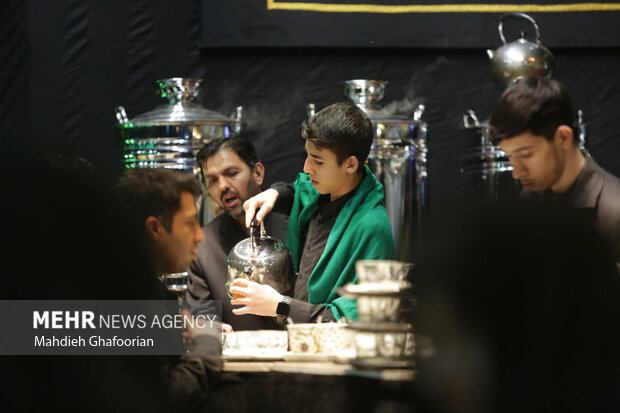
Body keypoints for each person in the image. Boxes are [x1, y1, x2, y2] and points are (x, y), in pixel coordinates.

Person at [230, 101, 396, 323]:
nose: (307, 168)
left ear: (350, 164)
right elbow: (298, 189)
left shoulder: (373, 228)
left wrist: (280, 306)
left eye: (317, 161)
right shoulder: (321, 191)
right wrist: (273, 194)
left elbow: (356, 317)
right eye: (307, 156)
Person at [113, 168, 222, 411]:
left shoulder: (141, 286)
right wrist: (207, 340)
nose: (200, 236)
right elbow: (166, 400)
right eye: (190, 223)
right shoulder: (128, 300)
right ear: (155, 229)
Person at [489, 76, 620, 268]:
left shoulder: (615, 213)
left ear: (563, 138)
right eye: (510, 156)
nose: (517, 173)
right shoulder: (531, 196)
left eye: (525, 155)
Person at [186, 134, 289, 331]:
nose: (223, 186)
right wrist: (208, 329)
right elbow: (201, 319)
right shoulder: (203, 246)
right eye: (212, 180)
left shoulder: (298, 224)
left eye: (232, 173)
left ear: (258, 173)